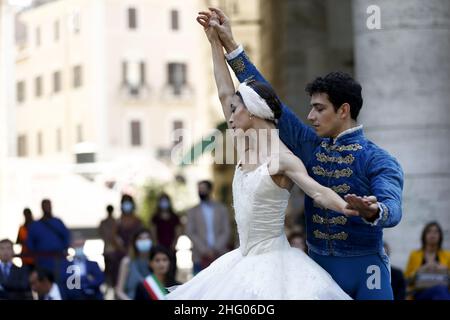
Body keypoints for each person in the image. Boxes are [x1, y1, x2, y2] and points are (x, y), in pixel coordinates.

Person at [205, 7, 404, 300]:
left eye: (319, 109)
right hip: (318, 267)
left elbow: (393, 207)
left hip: (366, 269)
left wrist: (375, 210)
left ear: (344, 110)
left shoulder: (378, 159)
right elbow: (268, 100)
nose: (310, 116)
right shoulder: (309, 145)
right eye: (311, 108)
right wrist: (229, 44)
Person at [166, 12, 357, 300]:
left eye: (235, 109)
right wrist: (214, 43)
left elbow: (318, 193)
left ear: (254, 111)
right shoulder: (243, 143)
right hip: (238, 262)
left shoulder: (283, 158)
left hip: (277, 268)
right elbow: (223, 90)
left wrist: (350, 208)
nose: (229, 116)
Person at [186, 180, 231, 275]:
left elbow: (226, 230)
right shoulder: (192, 211)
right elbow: (190, 232)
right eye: (199, 189)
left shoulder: (222, 209)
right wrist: (204, 250)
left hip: (219, 254)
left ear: (210, 190)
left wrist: (215, 248)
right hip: (199, 256)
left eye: (203, 189)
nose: (201, 192)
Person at [405, 222, 450, 300]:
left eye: (436, 232)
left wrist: (445, 270)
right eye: (429, 231)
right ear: (424, 235)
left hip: (442, 292)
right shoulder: (415, 255)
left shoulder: (447, 255)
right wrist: (419, 271)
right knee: (440, 290)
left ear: (440, 236)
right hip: (419, 293)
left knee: (440, 290)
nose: (433, 235)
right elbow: (406, 280)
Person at [26, 199, 70, 280]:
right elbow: (29, 242)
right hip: (42, 259)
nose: (47, 207)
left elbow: (66, 237)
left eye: (48, 205)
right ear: (42, 207)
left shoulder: (58, 222)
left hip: (59, 258)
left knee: (61, 281)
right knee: (44, 282)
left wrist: (64, 250)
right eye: (45, 206)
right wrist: (36, 255)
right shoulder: (35, 225)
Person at [59, 232, 105, 300]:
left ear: (84, 243)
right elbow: (65, 282)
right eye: (77, 245)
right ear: (72, 245)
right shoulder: (65, 265)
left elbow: (100, 279)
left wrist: (77, 281)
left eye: (80, 245)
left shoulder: (93, 264)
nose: (79, 248)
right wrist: (87, 279)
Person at [150, 193, 182, 281]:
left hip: (171, 249)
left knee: (171, 272)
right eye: (162, 201)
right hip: (159, 249)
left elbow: (178, 232)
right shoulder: (155, 217)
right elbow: (153, 233)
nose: (164, 203)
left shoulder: (175, 217)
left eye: (166, 201)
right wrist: (157, 247)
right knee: (159, 272)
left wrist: (174, 244)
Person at [115, 228, 153, 300]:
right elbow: (119, 291)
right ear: (134, 242)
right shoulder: (127, 262)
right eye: (140, 239)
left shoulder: (156, 262)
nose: (144, 241)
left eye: (147, 238)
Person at [98, 204, 123, 289]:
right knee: (110, 270)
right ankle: (109, 286)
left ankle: (111, 286)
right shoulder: (113, 222)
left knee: (113, 270)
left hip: (112, 249)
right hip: (110, 249)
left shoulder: (114, 222)